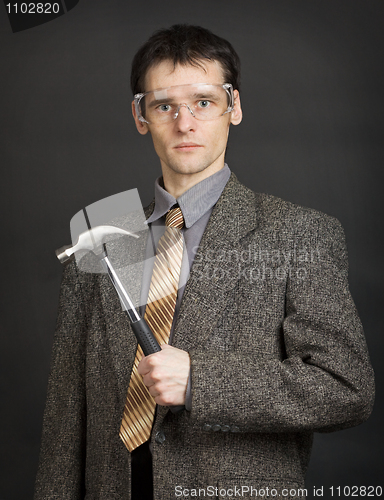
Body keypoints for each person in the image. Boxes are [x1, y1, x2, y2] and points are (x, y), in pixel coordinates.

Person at [34, 24, 375, 500]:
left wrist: (199, 380)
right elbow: (64, 420)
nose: (184, 123)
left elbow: (345, 388)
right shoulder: (100, 235)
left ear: (233, 108)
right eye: (164, 106)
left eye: (203, 102)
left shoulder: (298, 233)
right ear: (140, 115)